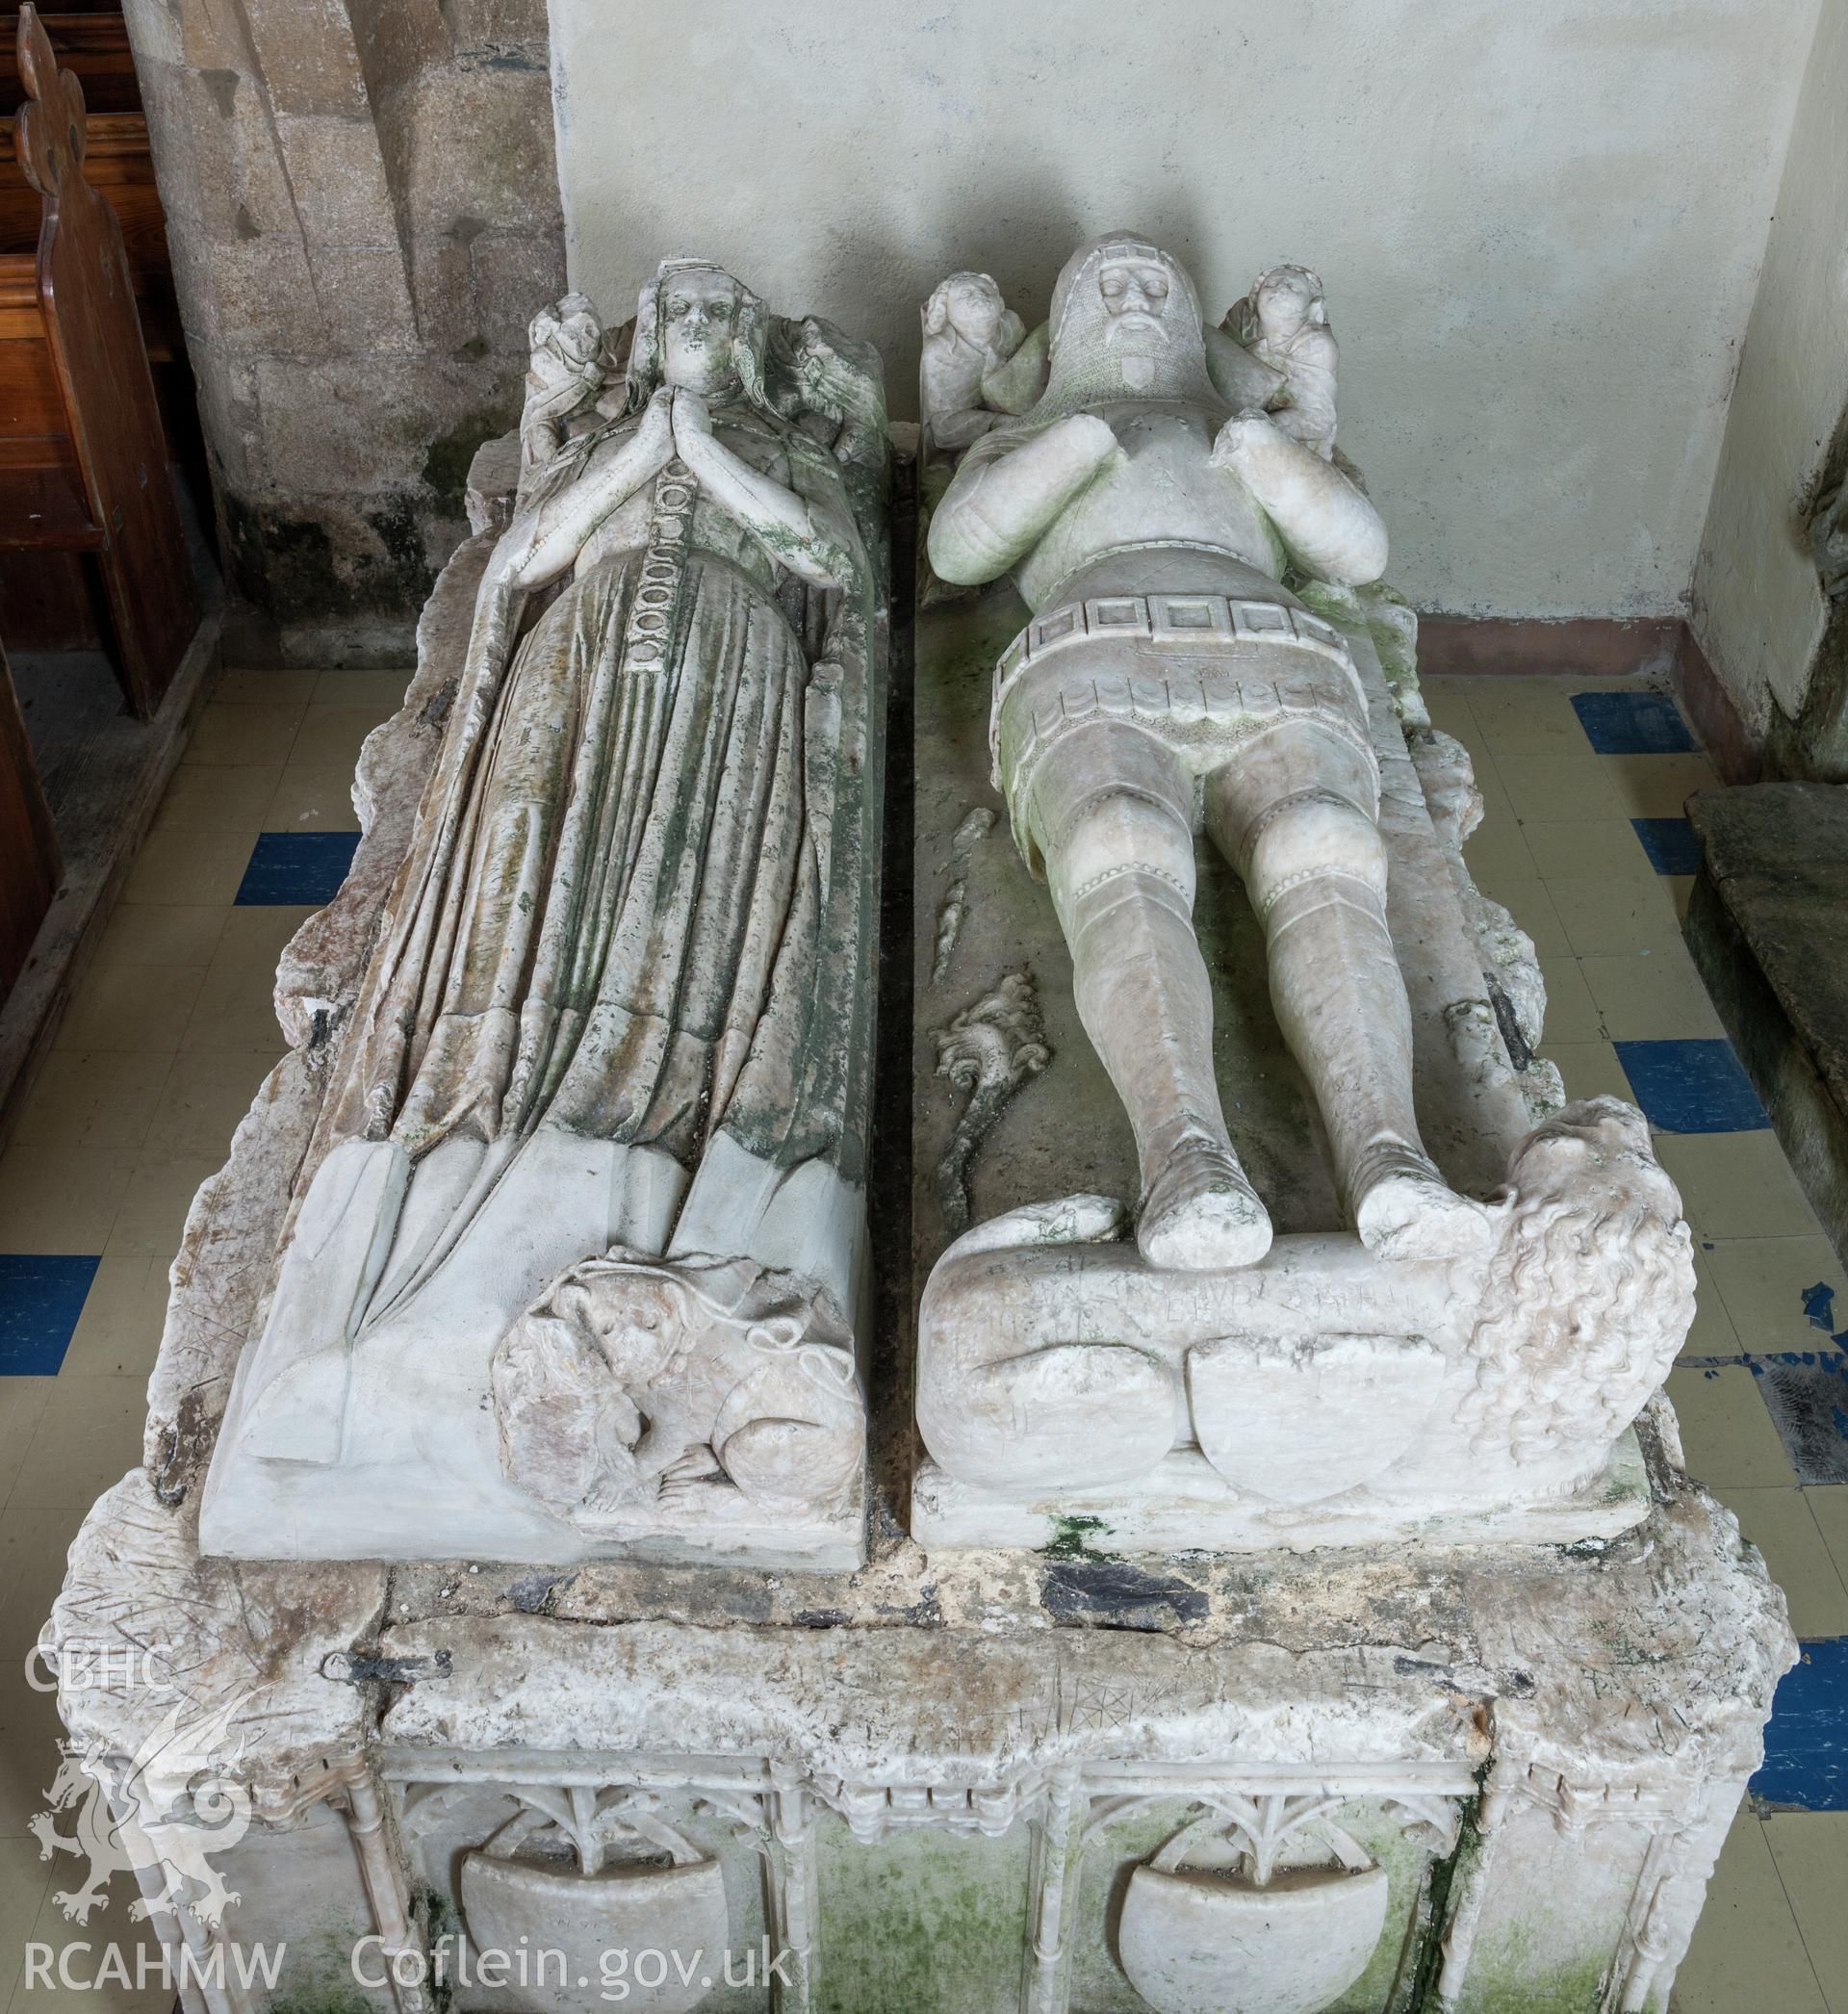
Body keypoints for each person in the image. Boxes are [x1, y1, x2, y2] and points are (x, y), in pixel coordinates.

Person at [928, 232, 1487, 1269]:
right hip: (1091, 651)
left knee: (1323, 850)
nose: (1136, 301)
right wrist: (1072, 441)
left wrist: (1263, 451)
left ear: (1190, 322)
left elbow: (1356, 554)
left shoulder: (1232, 423)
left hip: (1270, 646)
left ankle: (1388, 1152)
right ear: (1069, 328)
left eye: (1155, 287)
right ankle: (1184, 1156)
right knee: (1117, 847)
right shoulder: (1035, 431)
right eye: (1110, 288)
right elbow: (961, 550)